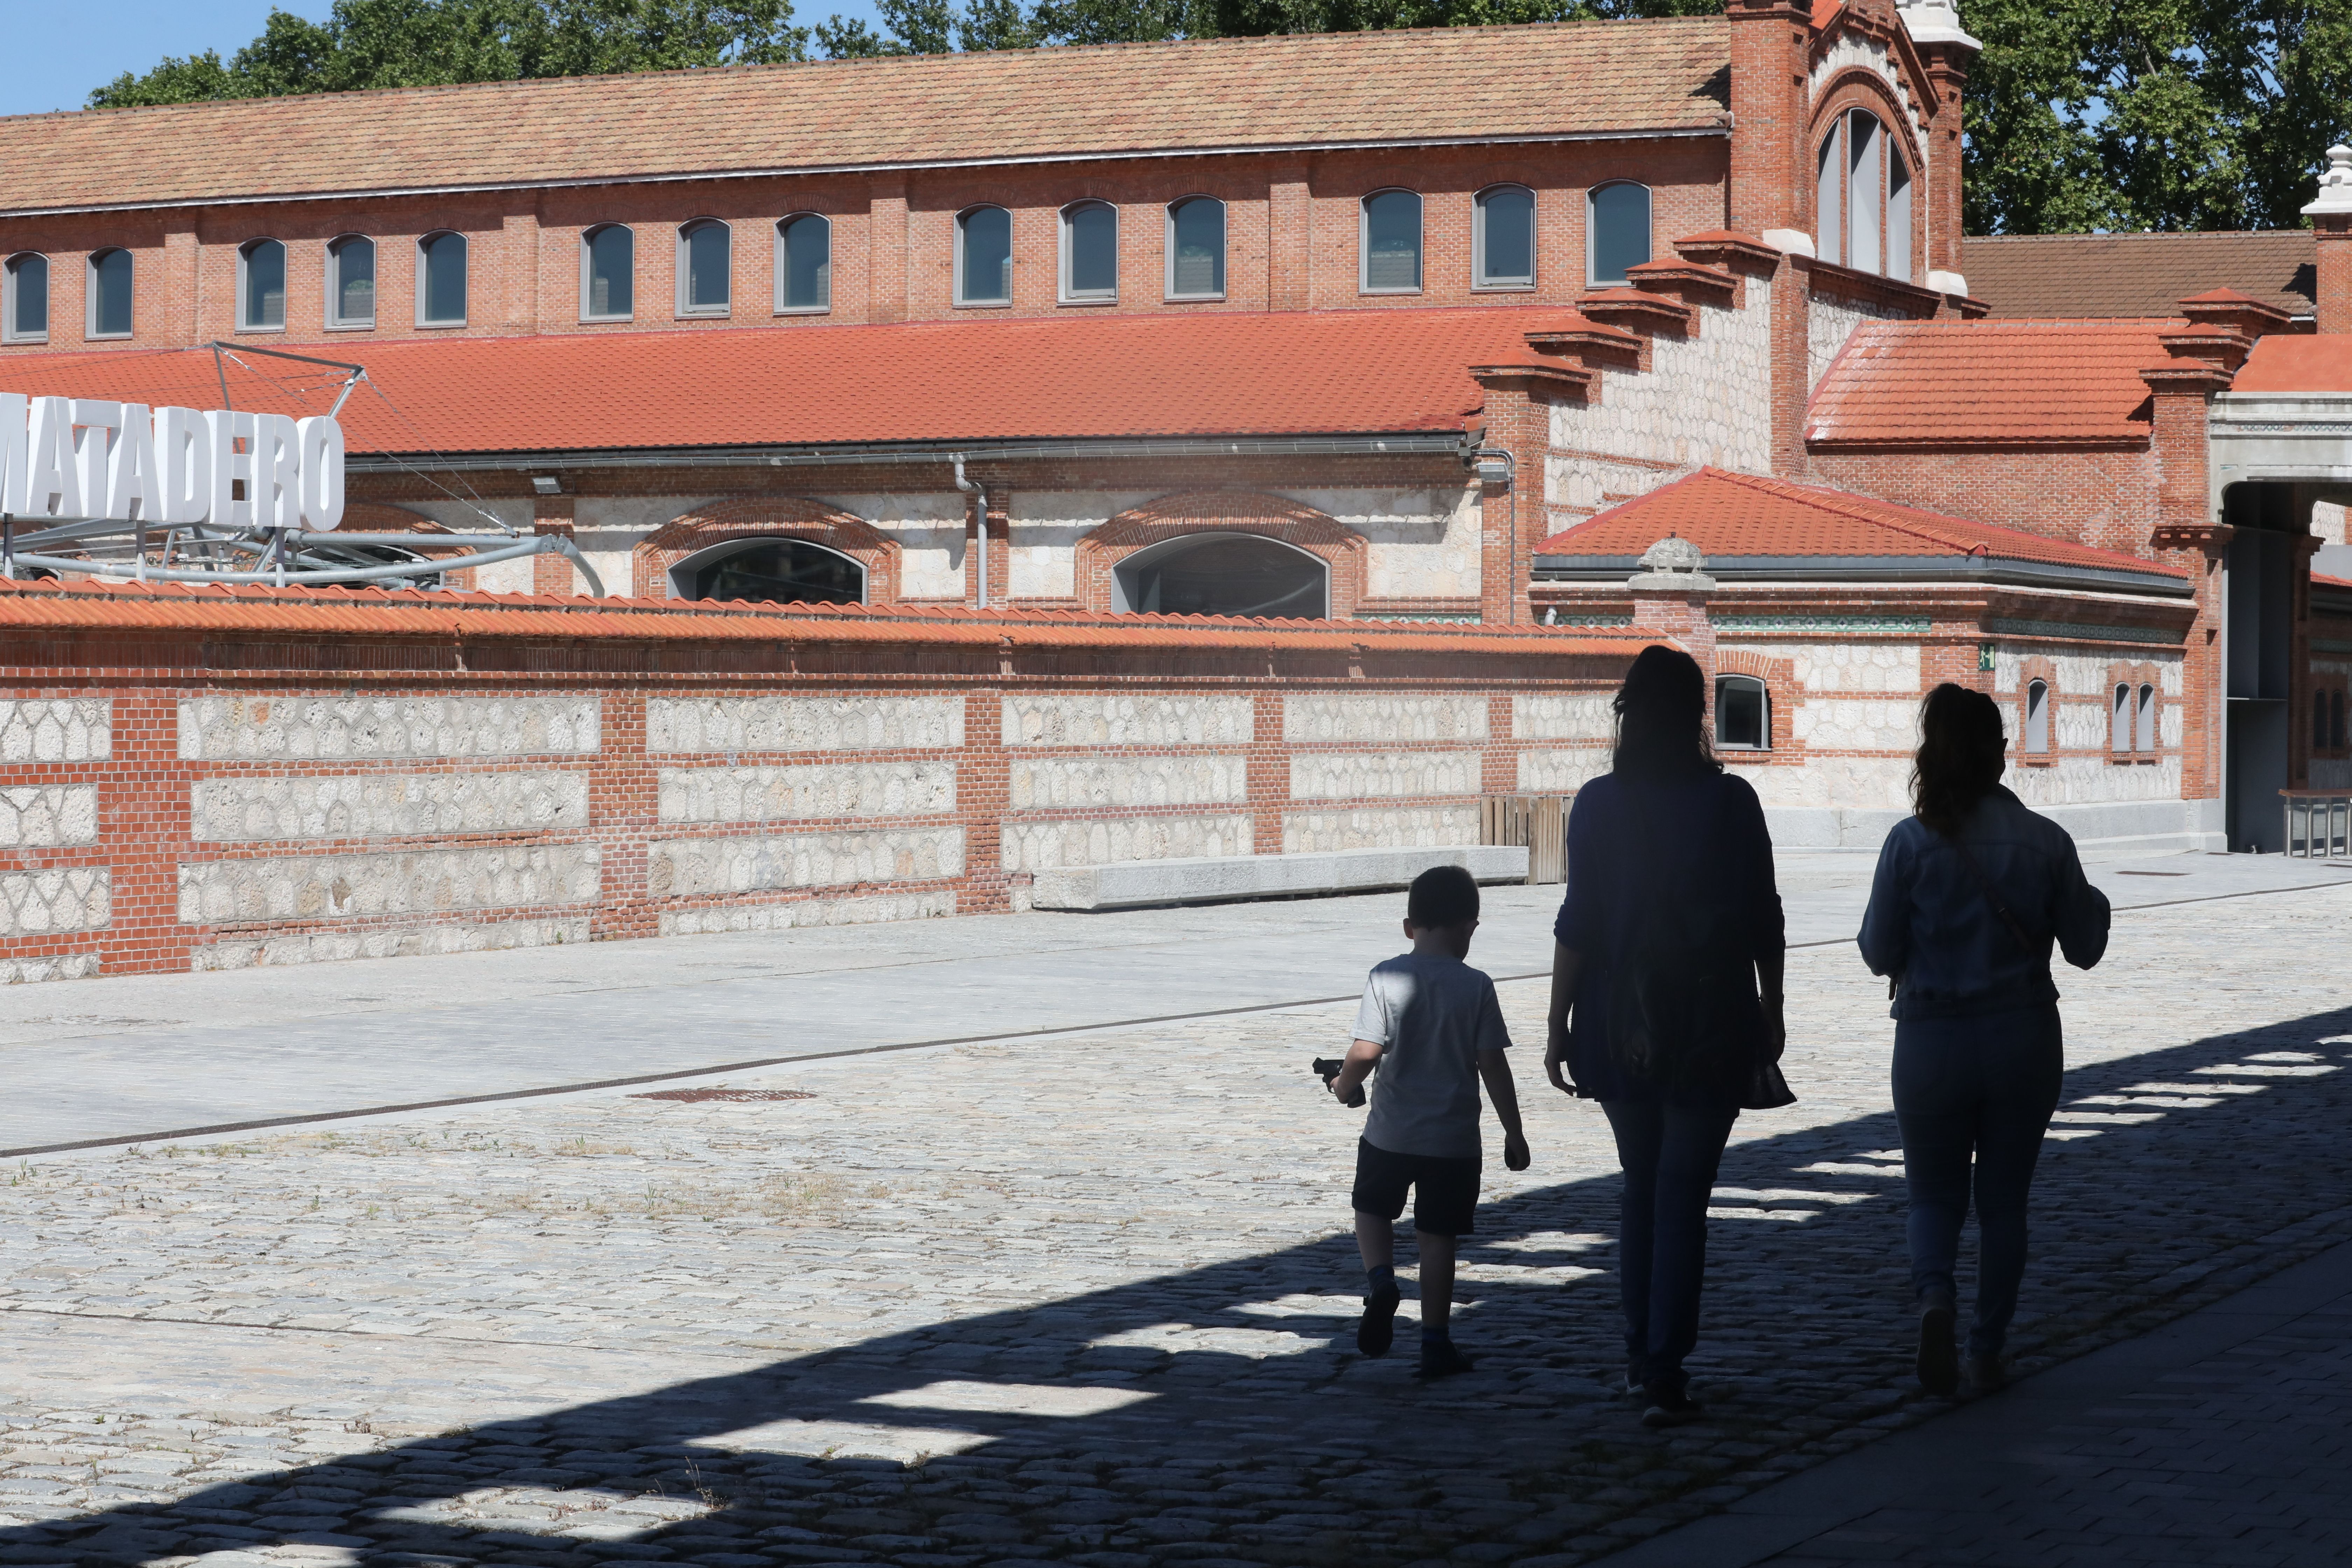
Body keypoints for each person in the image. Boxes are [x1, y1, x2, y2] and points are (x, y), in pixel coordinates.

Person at [1543, 645, 1789, 1429]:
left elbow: (1578, 921)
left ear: (1627, 712)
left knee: (1640, 1188)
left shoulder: (1596, 803)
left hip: (1619, 1018)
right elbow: (1765, 916)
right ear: (1697, 715)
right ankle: (1664, 1367)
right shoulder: (1733, 802)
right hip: (1714, 1016)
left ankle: (1636, 1354)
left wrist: (1556, 1023)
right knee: (1684, 1197)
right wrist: (1772, 1006)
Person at [1858, 682, 2108, 1397]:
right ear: (2001, 755)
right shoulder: (2047, 841)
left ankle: (1935, 1298)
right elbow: (2085, 947)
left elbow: (1878, 951)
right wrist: (2097, 906)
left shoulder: (1908, 842)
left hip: (1932, 1038)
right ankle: (1987, 1349)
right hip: (2022, 1036)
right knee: (2004, 1203)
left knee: (1932, 1196)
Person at [1329, 863, 1531, 1380]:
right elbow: (1493, 1065)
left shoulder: (1386, 977)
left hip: (1391, 1133)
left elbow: (1366, 1051)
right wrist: (1514, 1131)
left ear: (1408, 926)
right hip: (1454, 1142)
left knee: (1371, 1209)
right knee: (1438, 1239)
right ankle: (1436, 1344)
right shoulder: (1476, 986)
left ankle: (1381, 1281)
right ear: (1471, 927)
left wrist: (1344, 1087)